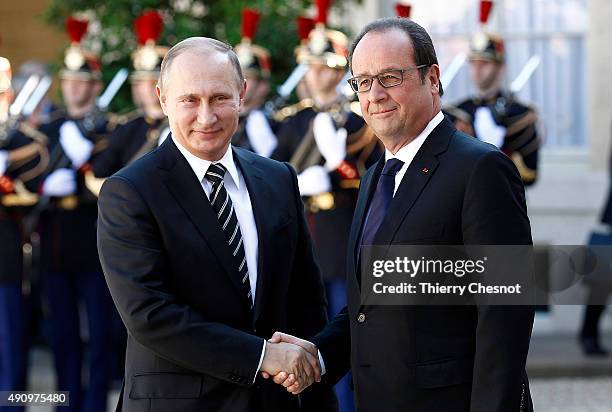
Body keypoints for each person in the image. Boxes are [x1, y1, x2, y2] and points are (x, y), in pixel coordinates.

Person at [269, 17, 535, 411]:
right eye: (362, 81)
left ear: (432, 79)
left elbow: (505, 314)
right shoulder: (377, 175)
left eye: (390, 77)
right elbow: (370, 303)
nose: (374, 94)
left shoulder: (481, 169)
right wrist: (319, 355)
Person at [97, 37, 337, 412]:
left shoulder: (277, 179)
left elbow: (306, 302)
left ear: (242, 94)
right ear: (162, 99)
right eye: (189, 100)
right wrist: (261, 356)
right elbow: (150, 314)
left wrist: (316, 394)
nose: (206, 117)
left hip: (274, 403)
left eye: (220, 98)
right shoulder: (129, 191)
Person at [271, 4, 380, 411]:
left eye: (328, 68)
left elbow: (375, 175)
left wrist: (337, 173)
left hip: (340, 238)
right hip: (301, 240)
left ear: (340, 72)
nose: (319, 76)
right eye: (313, 67)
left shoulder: (359, 121)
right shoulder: (292, 122)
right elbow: (273, 173)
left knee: (342, 335)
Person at [36, 16, 116, 412]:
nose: (73, 88)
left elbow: (113, 177)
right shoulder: (48, 128)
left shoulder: (108, 127)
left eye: (81, 81)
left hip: (94, 238)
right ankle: (65, 402)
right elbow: (32, 171)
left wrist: (85, 160)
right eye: (67, 81)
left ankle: (95, 404)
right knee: (63, 333)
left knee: (99, 335)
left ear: (95, 85)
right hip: (55, 238)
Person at [448, 31, 541, 186]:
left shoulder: (520, 114)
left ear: (501, 67)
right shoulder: (458, 112)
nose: (477, 69)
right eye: (474, 63)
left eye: (485, 63)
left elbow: (530, 174)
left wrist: (499, 151)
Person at [92, 10, 170, 179]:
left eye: (155, 80)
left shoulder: (181, 125)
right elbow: (100, 171)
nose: (149, 87)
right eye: (143, 81)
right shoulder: (127, 127)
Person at [231, 8, 278, 157]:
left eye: (248, 77)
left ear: (263, 86)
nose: (239, 81)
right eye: (236, 75)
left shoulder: (272, 124)